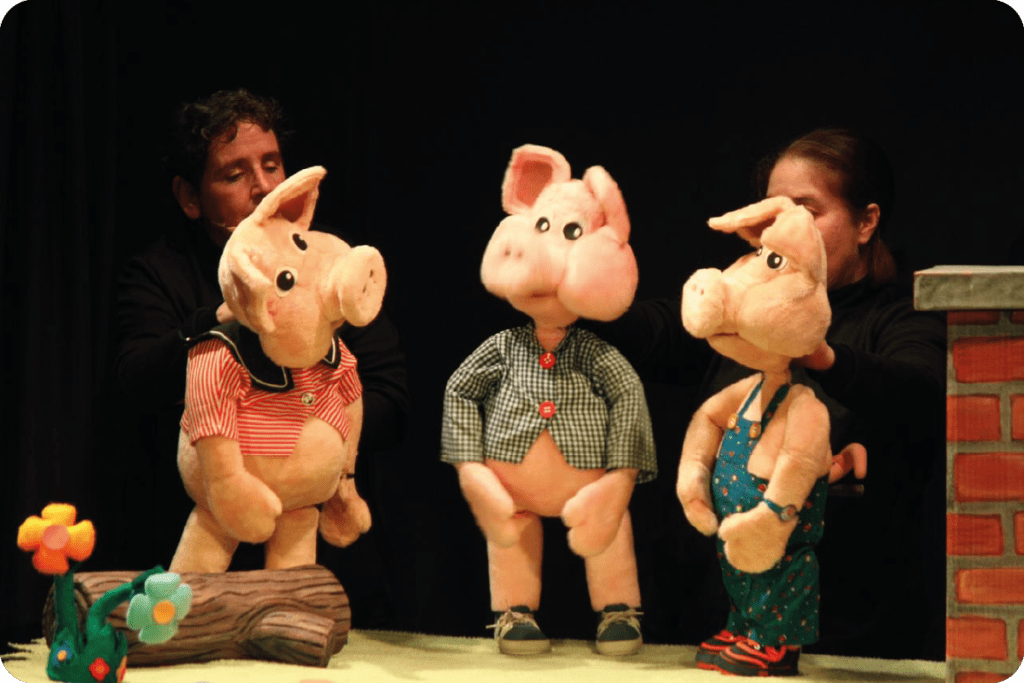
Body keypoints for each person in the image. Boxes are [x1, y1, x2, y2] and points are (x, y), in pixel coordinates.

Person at [588, 128, 946, 662]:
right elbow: (655, 332)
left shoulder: (900, 317)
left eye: (808, 209)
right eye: (775, 211)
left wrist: (818, 353)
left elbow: (921, 394)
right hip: (722, 620)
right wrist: (581, 292)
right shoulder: (745, 310)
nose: (785, 227)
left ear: (866, 222)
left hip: (847, 637)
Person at [111, 88, 410, 628]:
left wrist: (303, 443)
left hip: (324, 557)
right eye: (235, 174)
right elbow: (137, 379)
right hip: (199, 548)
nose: (264, 187)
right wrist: (221, 317)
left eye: (271, 165)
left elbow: (389, 395)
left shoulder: (324, 265)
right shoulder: (158, 272)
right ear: (189, 197)